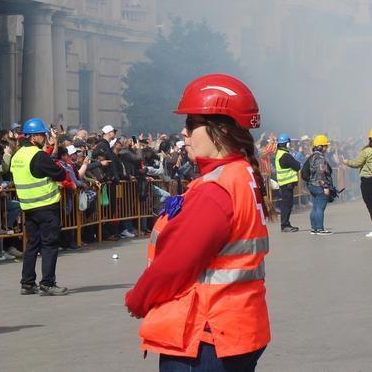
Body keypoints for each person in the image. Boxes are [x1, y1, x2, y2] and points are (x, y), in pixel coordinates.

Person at [126, 73, 271, 371]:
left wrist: (139, 298)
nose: (184, 132)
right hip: (236, 326)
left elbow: (177, 262)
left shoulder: (215, 189)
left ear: (220, 130)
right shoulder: (239, 174)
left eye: (192, 123)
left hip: (206, 334)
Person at [13, 118, 70, 295]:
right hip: (46, 206)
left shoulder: (17, 156)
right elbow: (60, 174)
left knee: (32, 245)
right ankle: (47, 283)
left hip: (28, 207)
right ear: (33, 137)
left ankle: (27, 283)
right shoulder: (38, 156)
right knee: (49, 244)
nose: (44, 137)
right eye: (41, 134)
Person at [302, 134, 334, 235]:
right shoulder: (320, 158)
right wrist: (325, 187)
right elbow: (321, 173)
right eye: (325, 146)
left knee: (315, 207)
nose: (327, 148)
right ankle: (320, 229)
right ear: (321, 146)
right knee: (320, 207)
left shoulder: (312, 156)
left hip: (312, 185)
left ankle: (314, 228)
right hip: (319, 185)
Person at [272, 134, 300, 232]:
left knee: (286, 205)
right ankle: (285, 225)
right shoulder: (286, 155)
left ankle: (286, 224)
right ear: (286, 144)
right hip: (287, 184)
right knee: (286, 205)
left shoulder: (279, 154)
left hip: (284, 184)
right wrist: (297, 161)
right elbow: (297, 166)